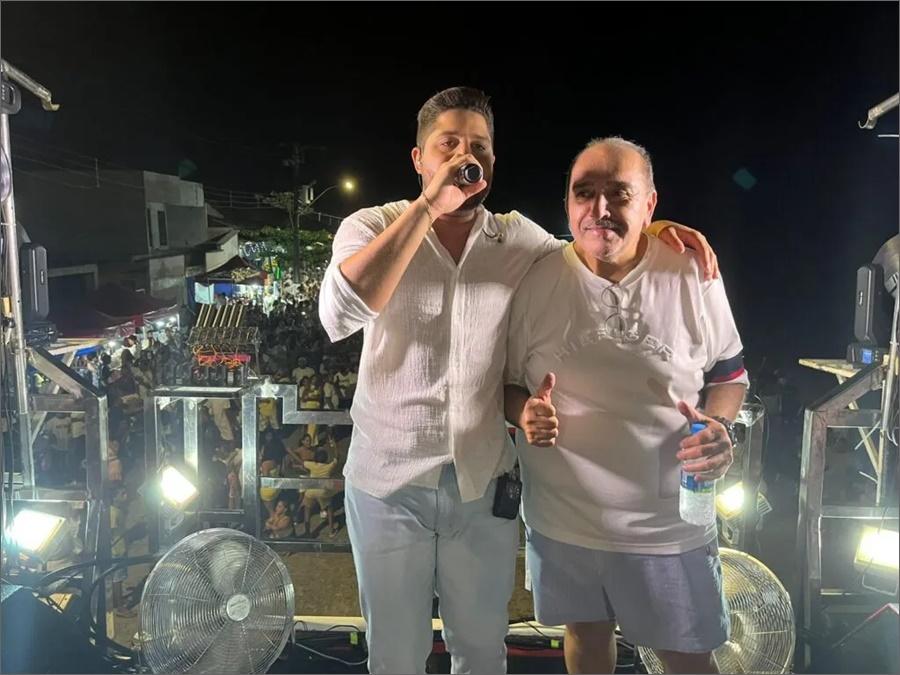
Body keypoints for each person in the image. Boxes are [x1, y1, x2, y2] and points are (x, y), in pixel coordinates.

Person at [318, 86, 720, 675]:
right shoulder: (372, 225)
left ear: (492, 161)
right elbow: (341, 312)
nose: (464, 156)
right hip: (387, 483)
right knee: (394, 656)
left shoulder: (516, 239)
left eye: (478, 146)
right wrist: (427, 207)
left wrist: (653, 228)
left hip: (483, 483)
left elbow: (589, 245)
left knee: (484, 649)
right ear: (419, 159)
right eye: (448, 144)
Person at [504, 136, 749, 674]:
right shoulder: (535, 281)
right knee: (586, 638)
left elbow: (730, 374)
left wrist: (718, 424)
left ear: (650, 204)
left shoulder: (692, 272)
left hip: (671, 521)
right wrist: (522, 411)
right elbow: (507, 384)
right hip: (564, 517)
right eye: (584, 193)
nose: (600, 209)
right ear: (567, 202)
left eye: (619, 194)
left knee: (689, 656)